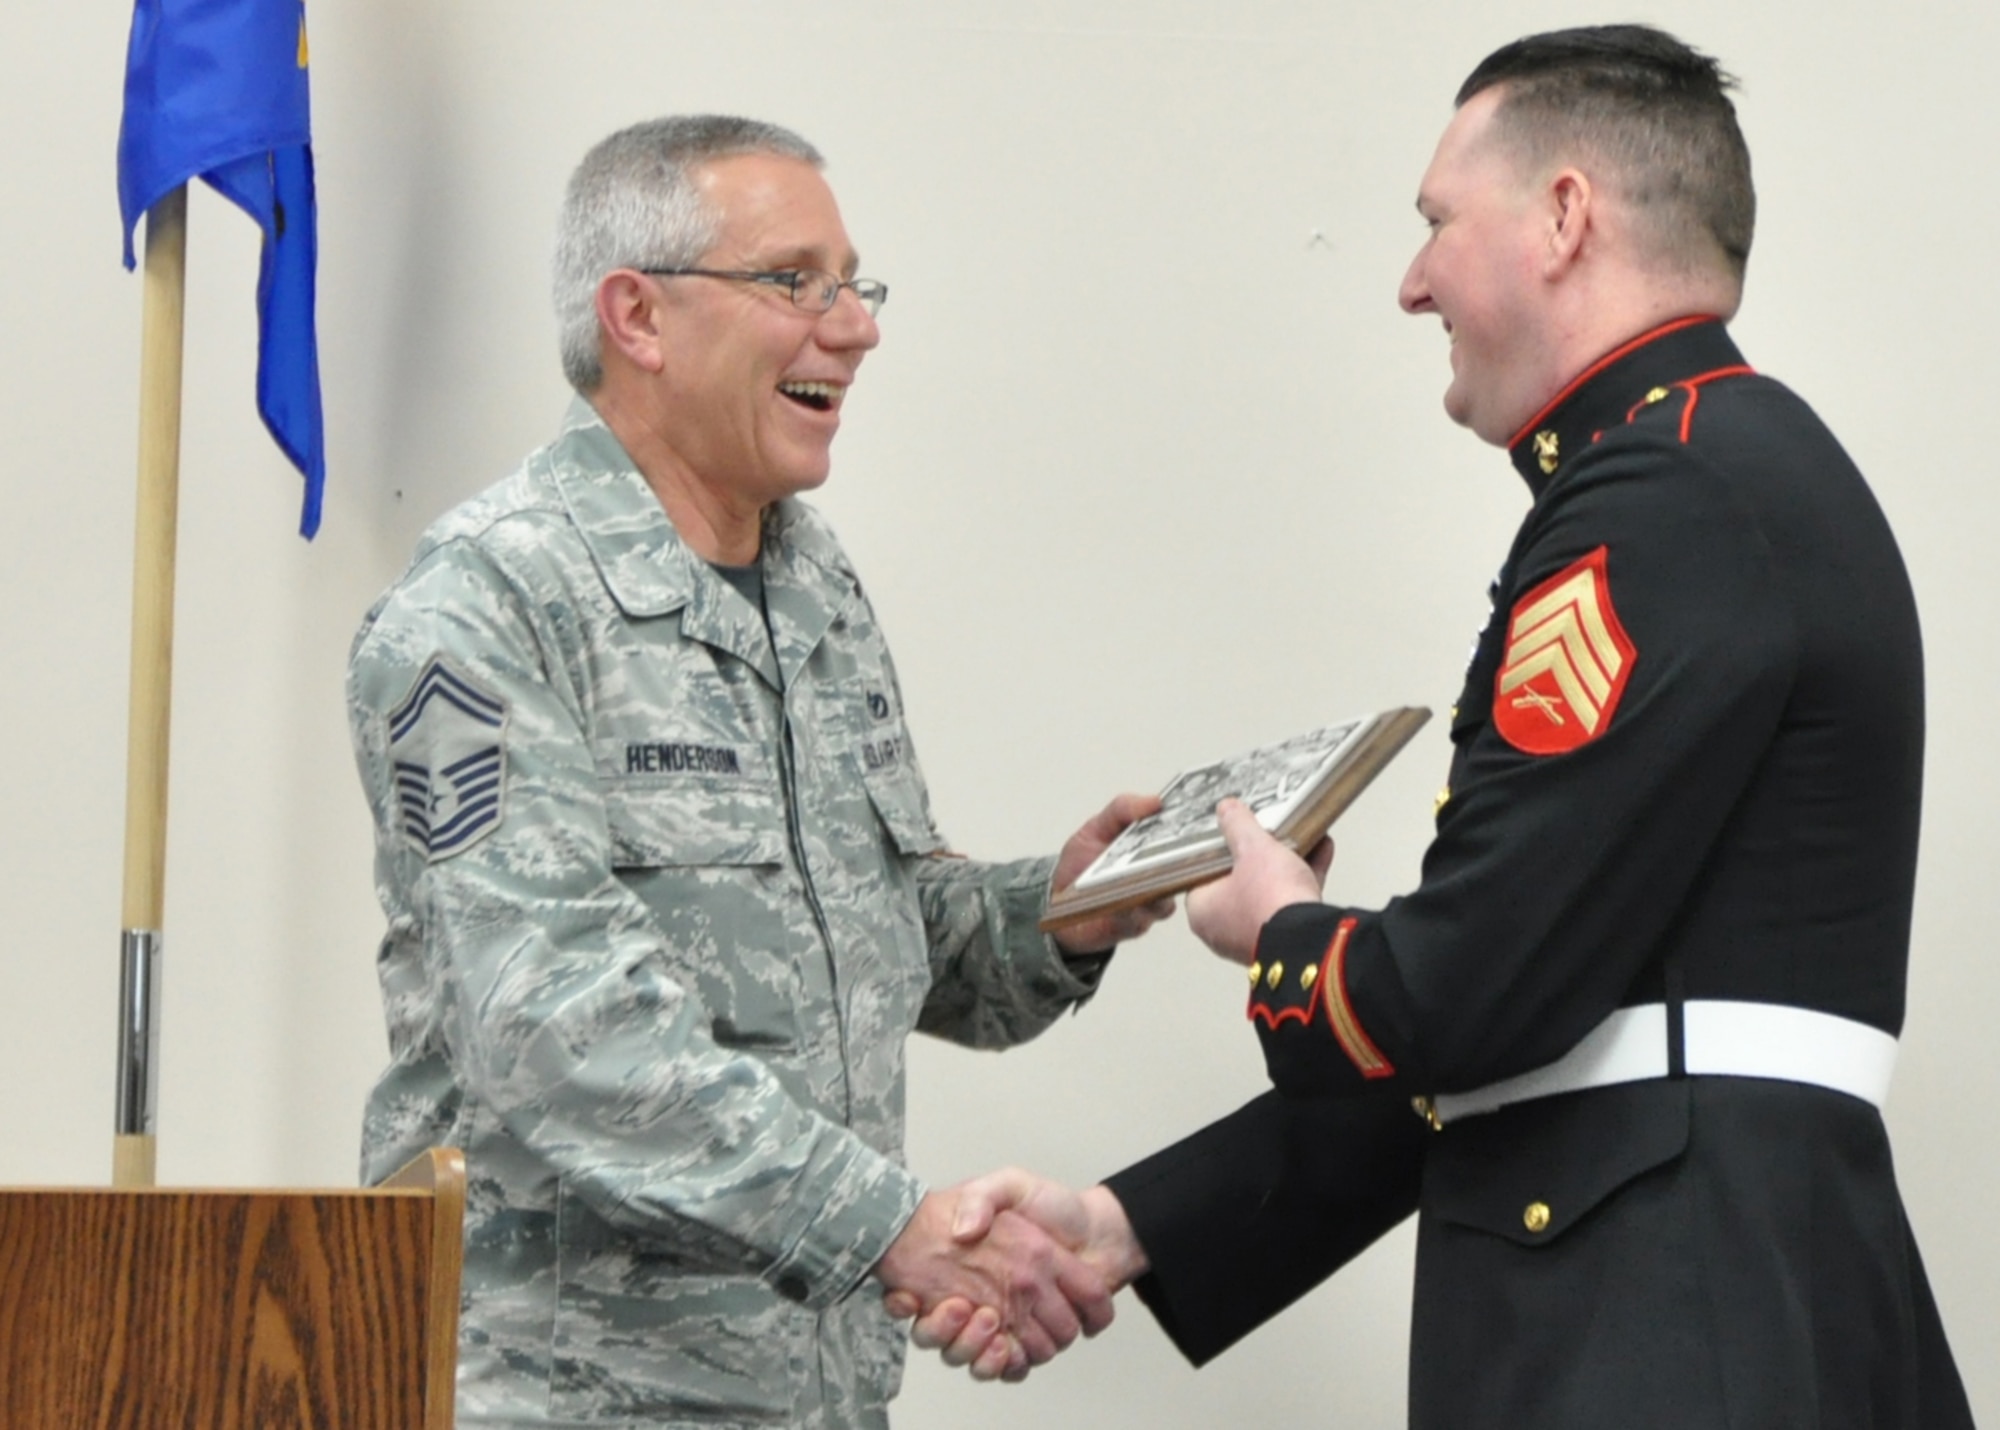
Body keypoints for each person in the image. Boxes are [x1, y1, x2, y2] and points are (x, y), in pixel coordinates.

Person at [897, 25, 1976, 1428]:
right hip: (1718, 1293)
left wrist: (1279, 926)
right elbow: (1534, 1033)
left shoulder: (1665, 496)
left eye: (1434, 224)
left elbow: (1471, 991)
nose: (1411, 283)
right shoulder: (1716, 473)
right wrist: (1120, 1224)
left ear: (1566, 218)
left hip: (1663, 1328)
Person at [346, 114, 1168, 1429]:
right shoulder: (480, 613)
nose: (855, 327)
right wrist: (899, 1229)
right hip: (564, 1399)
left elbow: (882, 942)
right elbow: (558, 1032)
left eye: (855, 284)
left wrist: (1065, 907)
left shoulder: (814, 586)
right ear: (639, 317)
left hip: (818, 1397)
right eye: (796, 281)